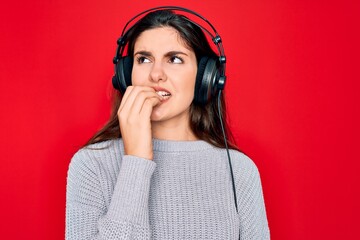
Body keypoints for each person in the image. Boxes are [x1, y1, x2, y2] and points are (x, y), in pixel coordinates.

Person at [66, 7, 270, 239]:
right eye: (143, 59)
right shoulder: (92, 164)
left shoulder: (240, 171)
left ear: (206, 77)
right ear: (125, 74)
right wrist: (136, 160)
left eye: (174, 59)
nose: (156, 74)